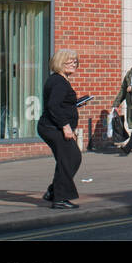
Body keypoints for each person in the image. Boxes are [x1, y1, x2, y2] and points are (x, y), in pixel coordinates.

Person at [37, 48, 83, 210]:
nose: (73, 64)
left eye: (75, 62)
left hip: (53, 127)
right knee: (71, 158)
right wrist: (66, 127)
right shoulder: (59, 82)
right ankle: (59, 199)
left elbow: (60, 104)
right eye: (69, 62)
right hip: (53, 128)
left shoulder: (59, 80)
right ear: (59, 63)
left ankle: (53, 192)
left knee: (69, 159)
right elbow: (53, 106)